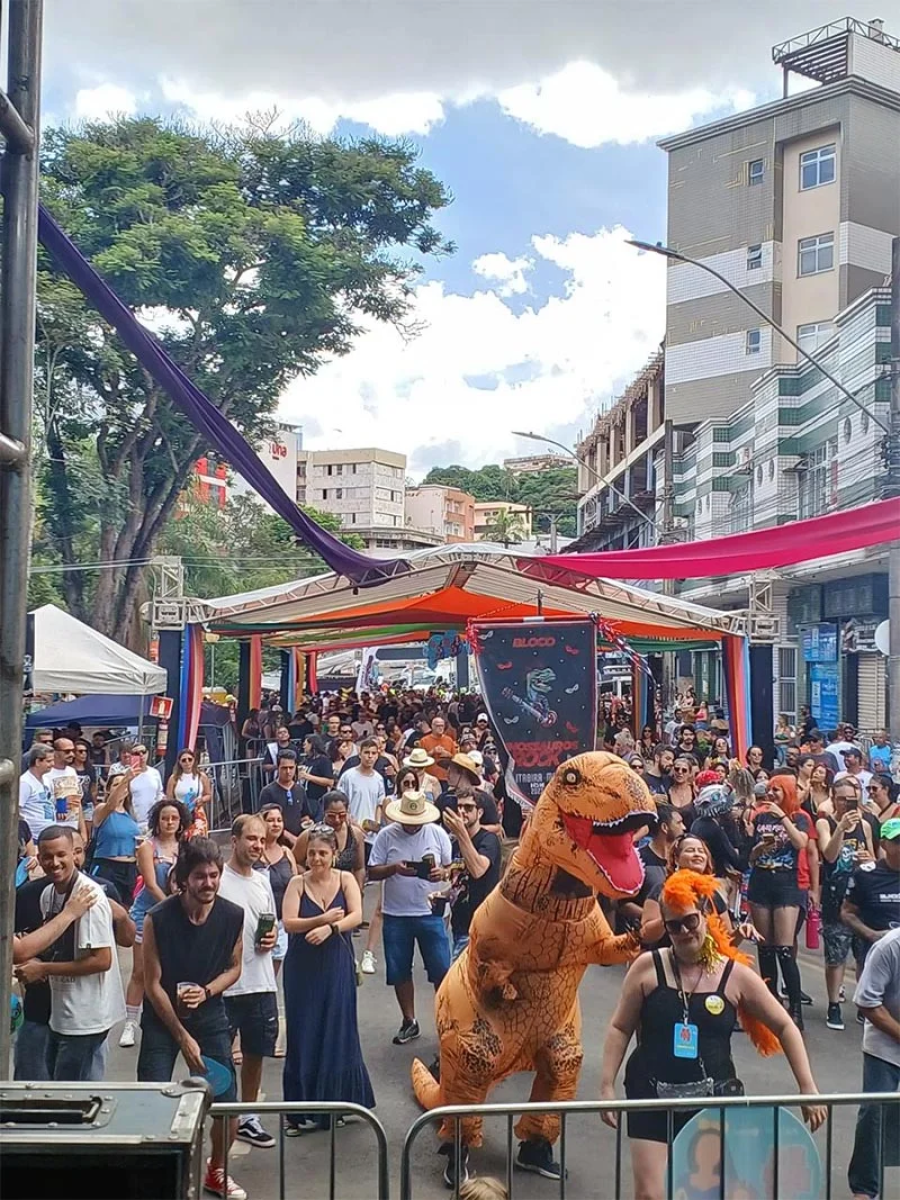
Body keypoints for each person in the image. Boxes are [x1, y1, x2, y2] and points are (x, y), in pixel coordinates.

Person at [600, 868, 825, 1200]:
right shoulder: (647, 968)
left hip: (713, 1098)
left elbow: (785, 1026)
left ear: (706, 915)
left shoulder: (735, 975)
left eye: (690, 921)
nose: (684, 932)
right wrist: (606, 1085)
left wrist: (808, 1087)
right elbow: (620, 1027)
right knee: (651, 1194)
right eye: (674, 926)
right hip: (651, 1094)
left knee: (710, 1193)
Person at [139, 837, 246, 1200]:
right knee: (152, 1098)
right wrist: (182, 1037)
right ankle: (157, 1177)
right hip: (162, 1019)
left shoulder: (233, 915)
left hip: (210, 1014)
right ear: (184, 878)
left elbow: (235, 967)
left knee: (228, 1104)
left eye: (214, 875)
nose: (209, 883)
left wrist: (208, 991)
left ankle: (216, 1170)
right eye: (200, 876)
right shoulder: (158, 918)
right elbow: (151, 985)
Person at [281, 823, 375, 1132]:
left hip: (336, 964)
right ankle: (298, 1111)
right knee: (304, 1031)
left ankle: (338, 1104)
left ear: (334, 854)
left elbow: (356, 915)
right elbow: (289, 923)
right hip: (302, 969)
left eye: (323, 853)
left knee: (338, 1029)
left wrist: (331, 928)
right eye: (312, 854)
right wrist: (321, 919)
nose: (317, 859)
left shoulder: (346, 878)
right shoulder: (297, 883)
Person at [14, 825, 125, 1081]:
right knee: (54, 1086)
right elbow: (46, 943)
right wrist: (35, 960)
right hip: (60, 1013)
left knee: (70, 1095)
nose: (55, 862)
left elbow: (102, 960)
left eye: (61, 855)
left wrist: (43, 969)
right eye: (48, 856)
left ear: (74, 854)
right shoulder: (46, 894)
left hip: (85, 1018)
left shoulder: (89, 897)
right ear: (38, 858)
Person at [367, 788, 452, 1045]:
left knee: (441, 969)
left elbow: (451, 866)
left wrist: (442, 874)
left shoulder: (437, 834)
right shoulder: (386, 836)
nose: (412, 826)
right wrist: (394, 868)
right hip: (396, 913)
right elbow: (372, 871)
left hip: (430, 911)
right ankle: (409, 1019)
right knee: (400, 970)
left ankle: (447, 1021)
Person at [217, 815, 280, 1150]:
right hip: (224, 986)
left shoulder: (262, 880)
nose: (257, 846)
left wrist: (270, 938)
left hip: (261, 981)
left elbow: (269, 923)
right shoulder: (217, 879)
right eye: (251, 839)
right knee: (219, 1056)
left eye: (261, 840)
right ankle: (220, 1116)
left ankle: (249, 1115)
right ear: (234, 840)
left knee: (256, 1052)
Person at [120, 797, 190, 1049]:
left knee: (171, 971)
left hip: (177, 914)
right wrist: (170, 907)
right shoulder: (147, 848)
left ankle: (170, 1021)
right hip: (148, 914)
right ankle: (130, 1023)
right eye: (165, 818)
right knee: (140, 971)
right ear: (157, 821)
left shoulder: (185, 848)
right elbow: (150, 884)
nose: (169, 822)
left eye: (174, 818)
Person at [745, 773, 814, 1026]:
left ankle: (795, 1008)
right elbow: (750, 858)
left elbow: (800, 844)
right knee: (765, 948)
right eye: (769, 790)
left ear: (788, 791)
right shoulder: (759, 817)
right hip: (761, 882)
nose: (771, 795)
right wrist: (759, 849)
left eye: (777, 790)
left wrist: (783, 817)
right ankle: (770, 1002)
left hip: (788, 883)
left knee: (785, 949)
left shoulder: (801, 817)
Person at [817, 777, 878, 1032]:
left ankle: (864, 1003)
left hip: (860, 897)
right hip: (835, 895)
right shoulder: (825, 822)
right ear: (833, 797)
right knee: (836, 955)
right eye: (841, 798)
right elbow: (829, 855)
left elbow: (875, 859)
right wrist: (840, 828)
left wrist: (866, 858)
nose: (846, 803)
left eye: (851, 799)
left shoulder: (865, 824)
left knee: (864, 955)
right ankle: (833, 1003)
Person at [847, 927, 900, 1200]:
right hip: (885, 1045)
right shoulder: (889, 947)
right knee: (873, 1112)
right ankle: (865, 1189)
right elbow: (867, 1001)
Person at [442, 791, 502, 961]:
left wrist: (461, 833)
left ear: (480, 813)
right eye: (459, 807)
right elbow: (460, 881)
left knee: (461, 984)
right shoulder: (455, 843)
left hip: (481, 928)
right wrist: (443, 894)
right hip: (459, 926)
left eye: (468, 807)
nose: (462, 812)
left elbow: (477, 870)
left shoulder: (488, 840)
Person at [841, 818, 900, 973]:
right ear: (883, 844)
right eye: (897, 841)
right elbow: (847, 913)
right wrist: (871, 935)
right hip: (876, 955)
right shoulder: (866, 874)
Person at [256, 803, 298, 984]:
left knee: (272, 974)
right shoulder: (253, 852)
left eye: (279, 820)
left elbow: (296, 885)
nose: (276, 824)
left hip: (281, 922)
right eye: (271, 820)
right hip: (258, 920)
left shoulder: (287, 852)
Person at [89, 767, 142, 900]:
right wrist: (125, 779)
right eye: (116, 784)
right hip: (108, 866)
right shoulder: (102, 809)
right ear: (109, 789)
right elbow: (111, 805)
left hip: (129, 867)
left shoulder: (130, 814)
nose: (122, 787)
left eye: (124, 784)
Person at [256, 752, 316, 847]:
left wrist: (307, 822)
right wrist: (288, 836)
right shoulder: (268, 792)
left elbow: (305, 814)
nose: (288, 771)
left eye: (291, 768)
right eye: (284, 768)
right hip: (277, 844)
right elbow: (262, 821)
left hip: (298, 841)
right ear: (278, 768)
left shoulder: (300, 790)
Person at [340, 738, 387, 858]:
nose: (370, 756)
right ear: (360, 754)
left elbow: (379, 804)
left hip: (371, 835)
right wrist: (354, 824)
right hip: (351, 830)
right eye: (366, 753)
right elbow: (341, 803)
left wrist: (375, 825)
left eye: (373, 753)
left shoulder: (379, 779)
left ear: (377, 755)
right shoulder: (348, 776)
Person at [689, 783, 742, 879]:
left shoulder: (697, 822)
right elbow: (736, 860)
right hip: (711, 877)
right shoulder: (713, 829)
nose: (732, 809)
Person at [166, 747, 211, 836]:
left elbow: (208, 794)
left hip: (196, 812)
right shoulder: (174, 778)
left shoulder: (201, 776)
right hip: (180, 812)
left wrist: (201, 800)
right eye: (184, 760)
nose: (187, 762)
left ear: (194, 760)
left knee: (198, 840)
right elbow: (169, 798)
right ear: (179, 762)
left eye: (190, 759)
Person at [18, 744, 55, 839]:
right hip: (33, 836)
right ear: (38, 762)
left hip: (48, 832)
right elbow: (18, 810)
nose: (53, 764)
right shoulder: (25, 782)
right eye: (49, 761)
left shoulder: (47, 779)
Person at [296, 734, 334, 819]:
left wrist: (308, 777)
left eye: (305, 745)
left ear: (312, 745)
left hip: (317, 799)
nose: (304, 747)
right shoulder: (306, 760)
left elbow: (330, 782)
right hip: (305, 798)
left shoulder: (324, 761)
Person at [420, 716, 458, 789]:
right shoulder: (424, 741)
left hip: (446, 778)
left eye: (442, 726)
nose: (440, 728)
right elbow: (420, 760)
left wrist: (448, 754)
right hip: (429, 778)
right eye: (438, 726)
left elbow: (456, 759)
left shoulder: (449, 740)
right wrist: (432, 752)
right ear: (432, 726)